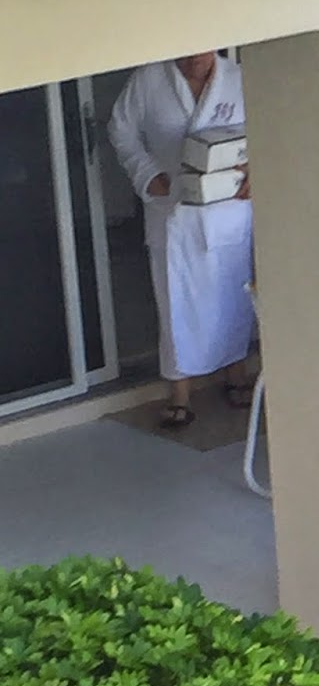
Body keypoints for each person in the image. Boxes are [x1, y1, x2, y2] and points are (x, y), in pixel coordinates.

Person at [108, 51, 255, 430]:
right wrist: (147, 173)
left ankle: (236, 373)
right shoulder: (149, 79)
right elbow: (121, 129)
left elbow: (267, 129)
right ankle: (179, 392)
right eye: (186, 55)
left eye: (201, 54)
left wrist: (255, 167)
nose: (193, 61)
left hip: (227, 206)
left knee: (232, 292)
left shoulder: (238, 78)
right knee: (175, 299)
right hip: (172, 208)